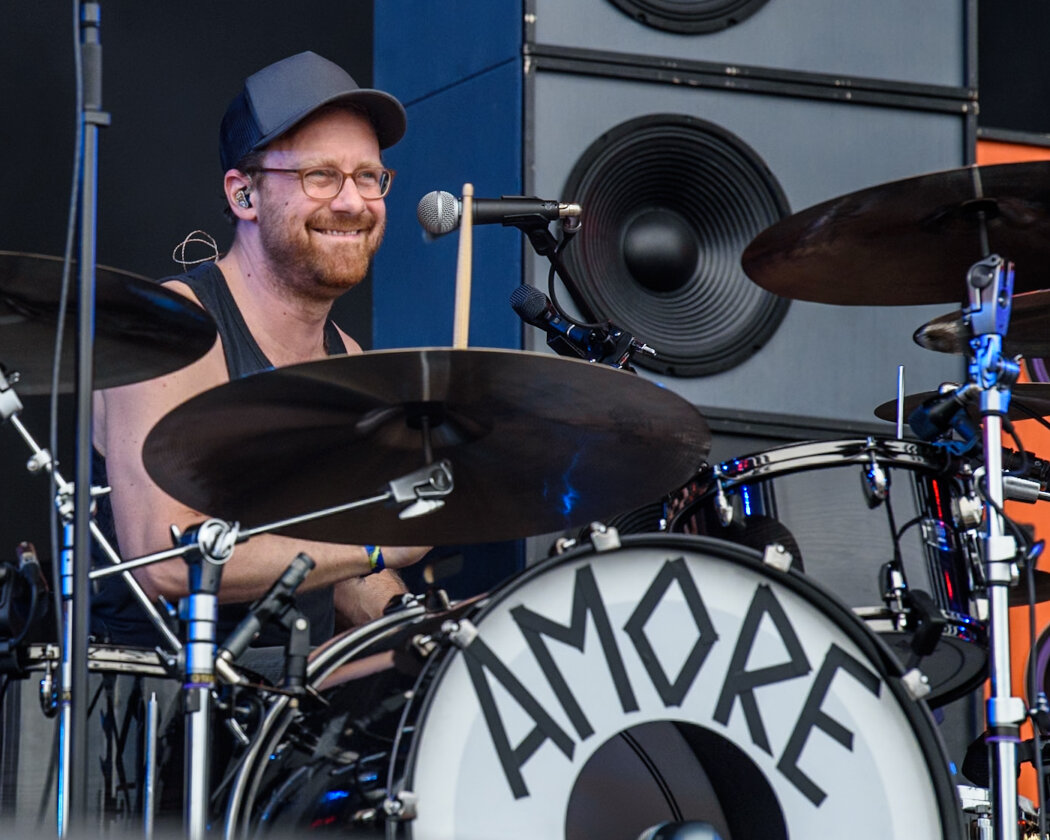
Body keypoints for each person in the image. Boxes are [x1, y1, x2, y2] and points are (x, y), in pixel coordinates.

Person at [90, 51, 428, 656]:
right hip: (162, 716)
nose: (353, 202)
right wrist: (376, 547)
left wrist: (414, 620)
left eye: (368, 176)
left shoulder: (345, 356)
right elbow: (167, 560)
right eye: (319, 176)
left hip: (285, 721)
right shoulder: (172, 329)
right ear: (244, 195)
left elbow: (334, 569)